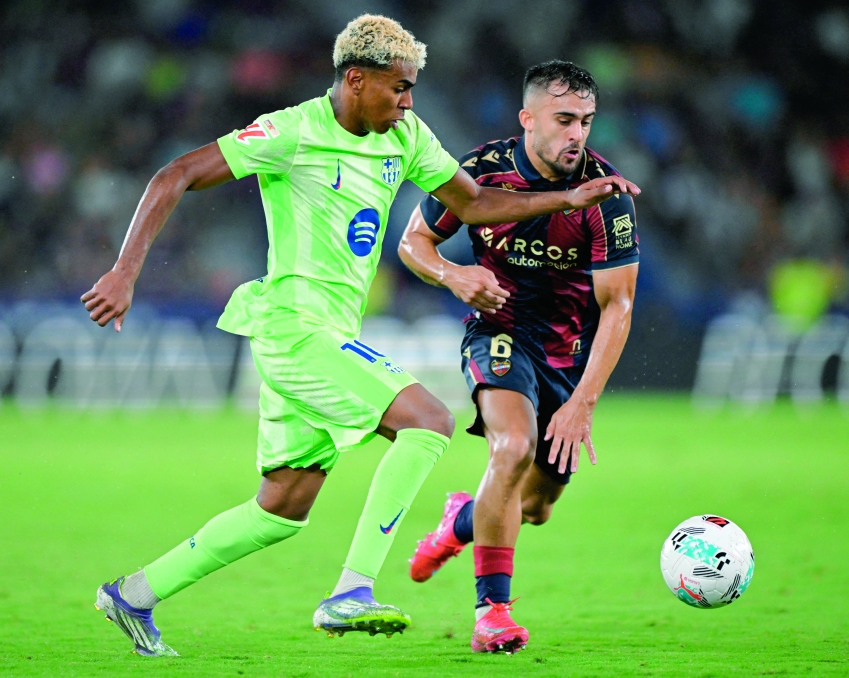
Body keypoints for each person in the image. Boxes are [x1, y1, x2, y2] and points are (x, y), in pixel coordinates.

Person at [81, 15, 639, 656]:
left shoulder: (404, 136)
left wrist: (566, 201)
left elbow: (477, 204)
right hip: (293, 327)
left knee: (279, 509)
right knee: (427, 421)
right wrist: (126, 271)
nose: (408, 103)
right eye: (399, 88)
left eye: (412, 90)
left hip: (325, 335)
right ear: (356, 80)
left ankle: (135, 594)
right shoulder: (290, 132)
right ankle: (352, 592)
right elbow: (173, 175)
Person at [399, 61, 640, 654]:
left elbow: (619, 307)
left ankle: (462, 517)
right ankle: (492, 614)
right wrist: (454, 275)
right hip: (498, 333)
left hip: (568, 354)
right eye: (563, 120)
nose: (577, 134)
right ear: (528, 119)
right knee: (511, 447)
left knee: (536, 506)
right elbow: (413, 243)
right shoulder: (482, 173)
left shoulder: (607, 197)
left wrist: (582, 403)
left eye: (585, 121)